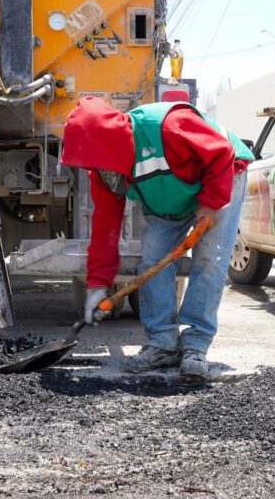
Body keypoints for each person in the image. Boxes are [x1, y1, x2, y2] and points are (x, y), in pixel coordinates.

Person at [61, 97, 253, 379]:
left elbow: (220, 153)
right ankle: (162, 343)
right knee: (153, 256)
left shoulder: (168, 127)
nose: (94, 169)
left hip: (220, 175)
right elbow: (105, 228)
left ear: (108, 143)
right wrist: (97, 286)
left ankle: (195, 345)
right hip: (169, 195)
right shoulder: (104, 174)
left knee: (210, 258)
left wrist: (211, 203)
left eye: (94, 160)